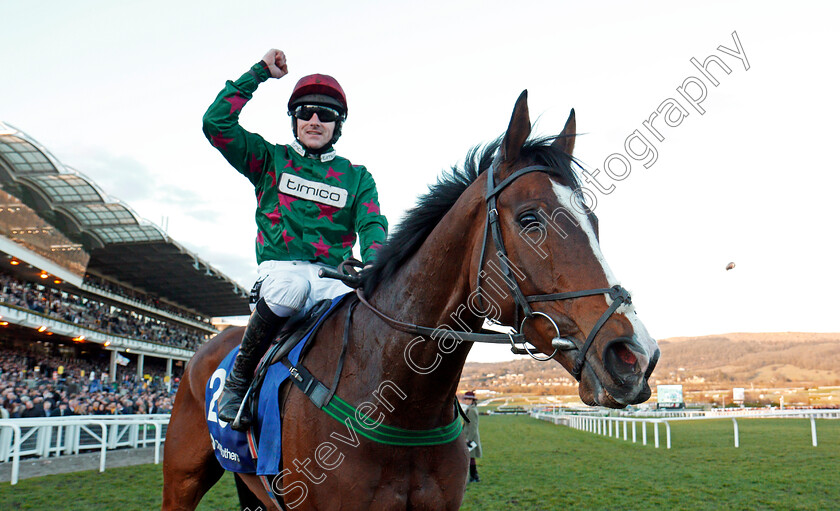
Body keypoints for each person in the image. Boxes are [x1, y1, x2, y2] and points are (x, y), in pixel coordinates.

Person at [203, 49, 388, 431]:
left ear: (339, 125)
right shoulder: (270, 159)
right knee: (290, 288)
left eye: (326, 115)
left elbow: (372, 224)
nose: (315, 120)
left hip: (335, 278)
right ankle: (237, 383)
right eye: (305, 112)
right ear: (294, 121)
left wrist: (375, 261)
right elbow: (216, 123)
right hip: (281, 272)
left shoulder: (357, 177)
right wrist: (258, 74)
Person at [463, 391, 482, 483]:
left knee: (470, 458)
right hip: (469, 437)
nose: (467, 401)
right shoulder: (470, 409)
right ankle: (474, 476)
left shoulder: (472, 411)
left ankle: (474, 476)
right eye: (466, 399)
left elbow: (473, 426)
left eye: (469, 399)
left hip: (471, 438)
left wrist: (469, 439)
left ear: (472, 400)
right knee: (470, 458)